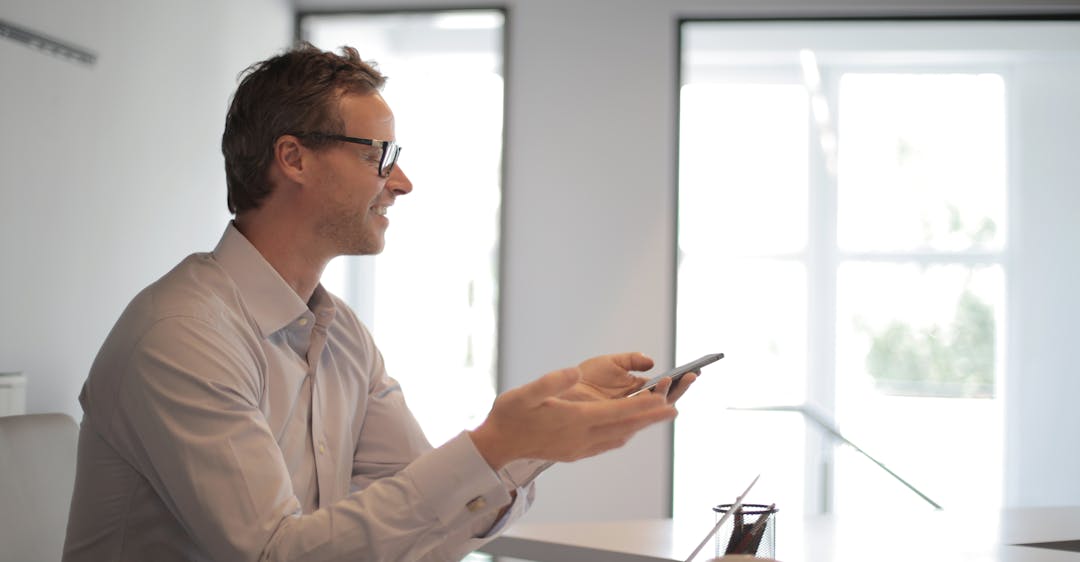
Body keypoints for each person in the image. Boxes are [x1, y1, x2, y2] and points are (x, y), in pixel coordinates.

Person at [62, 42, 695, 562]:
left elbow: (418, 526)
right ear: (293, 158)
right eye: (380, 156)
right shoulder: (182, 336)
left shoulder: (340, 337)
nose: (402, 182)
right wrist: (498, 444)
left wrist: (537, 435)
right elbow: (276, 556)